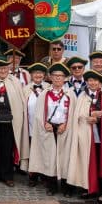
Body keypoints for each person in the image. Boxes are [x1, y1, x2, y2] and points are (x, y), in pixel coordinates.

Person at [29, 63, 75, 194]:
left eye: (60, 76)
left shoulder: (70, 94)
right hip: (49, 129)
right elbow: (39, 113)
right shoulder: (45, 94)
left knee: (65, 157)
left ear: (65, 78)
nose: (58, 78)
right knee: (50, 158)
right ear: (50, 77)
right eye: (55, 76)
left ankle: (67, 187)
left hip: (64, 129)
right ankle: (52, 186)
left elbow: (72, 113)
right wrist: (45, 123)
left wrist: (65, 124)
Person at [67, 69, 102, 199]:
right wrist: (88, 116)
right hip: (87, 134)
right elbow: (77, 115)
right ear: (86, 82)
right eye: (90, 80)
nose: (92, 83)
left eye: (95, 80)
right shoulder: (82, 96)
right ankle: (89, 188)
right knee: (88, 160)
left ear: (99, 82)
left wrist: (100, 117)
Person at [0, 59, 27, 187]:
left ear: (8, 69)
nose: (3, 71)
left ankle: (8, 176)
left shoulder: (15, 82)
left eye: (5, 68)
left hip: (11, 121)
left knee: (8, 149)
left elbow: (20, 103)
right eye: (0, 68)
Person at [23, 62, 48, 186]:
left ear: (44, 75)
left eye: (40, 73)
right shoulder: (25, 89)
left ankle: (45, 175)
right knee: (33, 152)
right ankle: (33, 175)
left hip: (45, 127)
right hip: (30, 126)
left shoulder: (49, 87)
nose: (38, 75)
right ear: (31, 75)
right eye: (35, 73)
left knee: (45, 151)